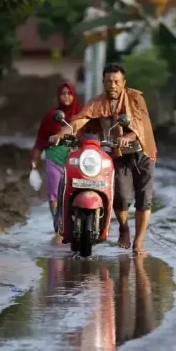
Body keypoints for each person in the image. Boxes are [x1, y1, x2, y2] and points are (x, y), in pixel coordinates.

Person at [51, 64, 158, 255]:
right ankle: (124, 226)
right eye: (108, 81)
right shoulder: (97, 102)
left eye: (117, 81)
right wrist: (62, 132)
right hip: (117, 152)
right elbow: (79, 120)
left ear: (123, 83)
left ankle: (138, 243)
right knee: (121, 197)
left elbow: (140, 126)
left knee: (145, 199)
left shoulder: (135, 99)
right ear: (103, 83)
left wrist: (127, 137)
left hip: (142, 151)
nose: (112, 85)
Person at [31, 82, 82, 245]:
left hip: (76, 159)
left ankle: (77, 224)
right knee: (54, 194)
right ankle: (59, 227)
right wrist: (35, 159)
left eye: (69, 93)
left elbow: (91, 134)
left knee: (76, 192)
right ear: (58, 96)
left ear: (74, 95)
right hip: (54, 158)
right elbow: (40, 139)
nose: (66, 96)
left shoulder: (81, 113)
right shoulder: (51, 115)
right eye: (63, 93)